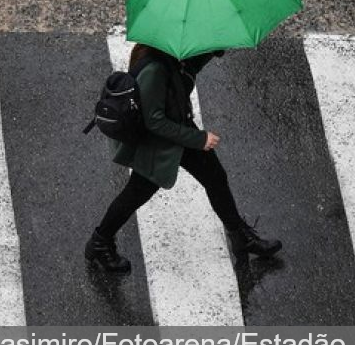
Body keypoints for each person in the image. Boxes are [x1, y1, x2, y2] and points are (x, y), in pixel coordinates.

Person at [86, 44, 282, 273]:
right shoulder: (155, 70)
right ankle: (100, 242)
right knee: (136, 193)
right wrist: (199, 139)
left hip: (177, 132)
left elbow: (190, 72)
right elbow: (154, 121)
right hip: (158, 145)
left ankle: (241, 237)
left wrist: (213, 48)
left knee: (215, 176)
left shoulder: (173, 59)